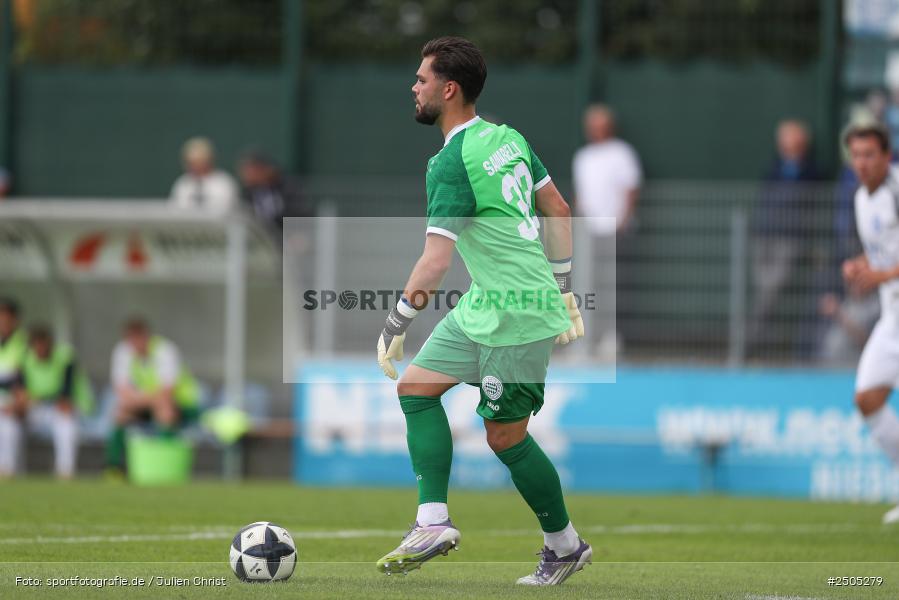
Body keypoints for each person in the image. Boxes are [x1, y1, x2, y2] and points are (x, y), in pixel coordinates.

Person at [373, 37, 590, 585]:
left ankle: (564, 546)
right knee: (415, 388)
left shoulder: (449, 163)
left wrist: (396, 323)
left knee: (504, 437)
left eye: (421, 79)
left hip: (515, 312)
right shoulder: (508, 137)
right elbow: (558, 209)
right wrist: (563, 285)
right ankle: (432, 521)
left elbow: (435, 262)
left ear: (448, 90)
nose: (413, 87)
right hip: (488, 303)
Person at [842, 123, 899, 523]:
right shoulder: (862, 198)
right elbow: (882, 252)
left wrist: (880, 275)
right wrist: (861, 266)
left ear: (886, 156)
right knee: (867, 398)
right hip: (893, 316)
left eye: (869, 154)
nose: (861, 163)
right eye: (856, 155)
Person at [571, 105, 641, 359]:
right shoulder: (583, 157)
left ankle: (613, 339)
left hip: (615, 231)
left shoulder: (622, 153)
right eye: (592, 126)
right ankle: (587, 339)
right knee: (588, 287)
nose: (596, 131)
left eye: (600, 126)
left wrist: (622, 222)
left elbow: (631, 188)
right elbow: (581, 196)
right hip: (590, 233)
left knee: (613, 286)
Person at [748, 119, 820, 354]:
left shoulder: (810, 170)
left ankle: (751, 338)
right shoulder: (774, 167)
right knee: (763, 288)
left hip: (789, 238)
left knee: (771, 289)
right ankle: (762, 340)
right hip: (765, 234)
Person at [105, 318, 200, 474]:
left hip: (183, 404)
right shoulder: (123, 351)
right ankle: (114, 468)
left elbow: (167, 392)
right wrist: (142, 400)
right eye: (131, 339)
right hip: (148, 403)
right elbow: (121, 390)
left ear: (146, 336)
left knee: (165, 410)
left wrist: (138, 399)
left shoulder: (165, 350)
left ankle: (165, 467)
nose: (135, 343)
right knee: (120, 413)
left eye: (138, 338)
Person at [3, 325, 94, 478]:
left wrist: (33, 400)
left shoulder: (65, 357)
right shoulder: (25, 359)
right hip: (35, 410)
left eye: (44, 345)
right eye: (37, 346)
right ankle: (8, 470)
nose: (41, 349)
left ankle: (65, 472)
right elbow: (20, 392)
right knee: (8, 421)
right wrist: (18, 405)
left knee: (66, 423)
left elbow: (65, 399)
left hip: (58, 410)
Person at [237, 149, 313, 235]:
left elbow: (301, 214)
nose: (246, 174)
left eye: (250, 170)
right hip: (259, 239)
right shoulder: (246, 193)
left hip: (288, 236)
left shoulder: (288, 187)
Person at [169, 137, 239, 214]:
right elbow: (175, 210)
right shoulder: (182, 183)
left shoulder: (224, 182)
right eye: (191, 162)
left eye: (199, 161)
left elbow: (226, 211)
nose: (195, 166)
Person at [0, 298, 27, 476]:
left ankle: (7, 472)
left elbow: (21, 380)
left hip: (16, 401)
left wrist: (18, 402)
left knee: (8, 424)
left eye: (6, 318)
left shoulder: (23, 343)